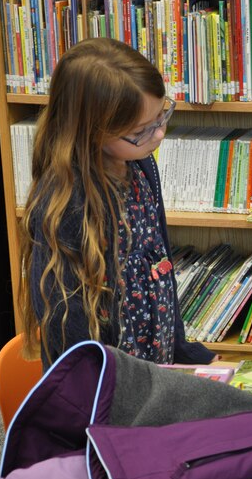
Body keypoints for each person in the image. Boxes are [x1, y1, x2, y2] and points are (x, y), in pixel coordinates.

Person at [18, 37, 217, 368]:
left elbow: (159, 267)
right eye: (142, 130)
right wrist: (110, 391)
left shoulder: (140, 165)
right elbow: (67, 329)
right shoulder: (66, 203)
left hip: (154, 373)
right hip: (104, 387)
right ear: (92, 130)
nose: (159, 135)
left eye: (162, 115)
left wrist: (183, 352)